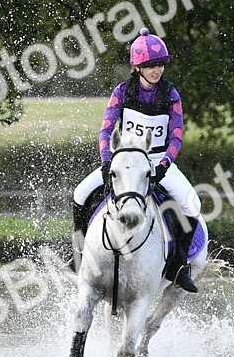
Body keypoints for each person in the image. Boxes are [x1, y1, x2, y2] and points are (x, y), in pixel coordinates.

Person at [71, 29, 202, 292]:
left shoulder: (171, 94)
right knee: (81, 193)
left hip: (158, 161)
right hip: (124, 160)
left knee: (191, 204)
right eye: (151, 65)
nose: (157, 70)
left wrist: (164, 165)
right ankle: (78, 254)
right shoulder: (122, 91)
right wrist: (107, 161)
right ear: (137, 67)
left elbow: (176, 136)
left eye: (161, 65)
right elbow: (106, 130)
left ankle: (177, 266)